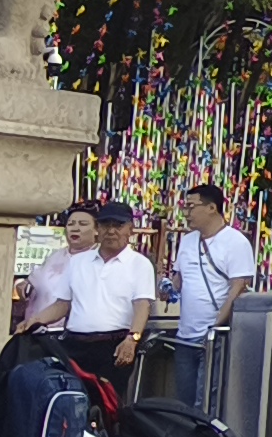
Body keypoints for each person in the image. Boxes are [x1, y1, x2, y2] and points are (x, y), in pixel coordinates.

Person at [23, 198, 157, 389]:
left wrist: (132, 339)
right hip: (75, 343)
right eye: (105, 225)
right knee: (72, 395)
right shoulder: (78, 262)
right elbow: (62, 304)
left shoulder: (139, 264)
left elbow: (142, 305)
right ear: (98, 229)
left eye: (118, 225)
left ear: (130, 229)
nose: (111, 231)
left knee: (108, 399)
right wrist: (34, 321)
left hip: (114, 344)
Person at [158, 178, 259, 418]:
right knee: (184, 402)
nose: (186, 213)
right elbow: (179, 281)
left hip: (214, 338)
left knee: (207, 402)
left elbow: (237, 289)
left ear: (212, 207)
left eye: (191, 207)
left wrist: (215, 328)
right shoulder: (187, 241)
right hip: (185, 337)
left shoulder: (235, 242)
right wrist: (166, 287)